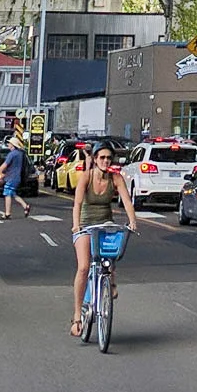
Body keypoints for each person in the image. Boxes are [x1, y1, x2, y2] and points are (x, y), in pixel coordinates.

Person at [71, 142, 137, 337]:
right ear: (96, 159)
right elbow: (77, 204)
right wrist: (76, 225)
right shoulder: (86, 177)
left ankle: (111, 282)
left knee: (111, 254)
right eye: (102, 157)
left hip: (105, 223)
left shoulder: (115, 178)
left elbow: (126, 200)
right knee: (83, 267)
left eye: (109, 158)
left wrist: (132, 221)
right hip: (85, 224)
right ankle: (77, 317)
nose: (106, 161)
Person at [0, 135, 32, 221]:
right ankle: (25, 206)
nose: (8, 145)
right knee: (13, 193)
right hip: (17, 177)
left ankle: (7, 213)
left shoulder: (12, 154)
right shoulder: (20, 154)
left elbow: (5, 165)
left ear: (13, 145)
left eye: (9, 144)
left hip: (12, 177)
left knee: (7, 193)